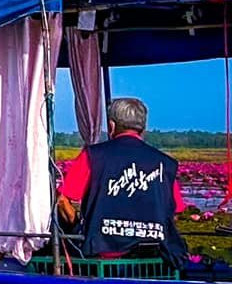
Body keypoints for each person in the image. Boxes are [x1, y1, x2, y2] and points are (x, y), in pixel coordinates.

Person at [57, 96, 188, 264]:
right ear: (144, 128)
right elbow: (174, 212)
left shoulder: (93, 156)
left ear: (111, 126)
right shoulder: (165, 163)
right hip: (153, 257)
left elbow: (62, 201)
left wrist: (79, 229)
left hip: (102, 256)